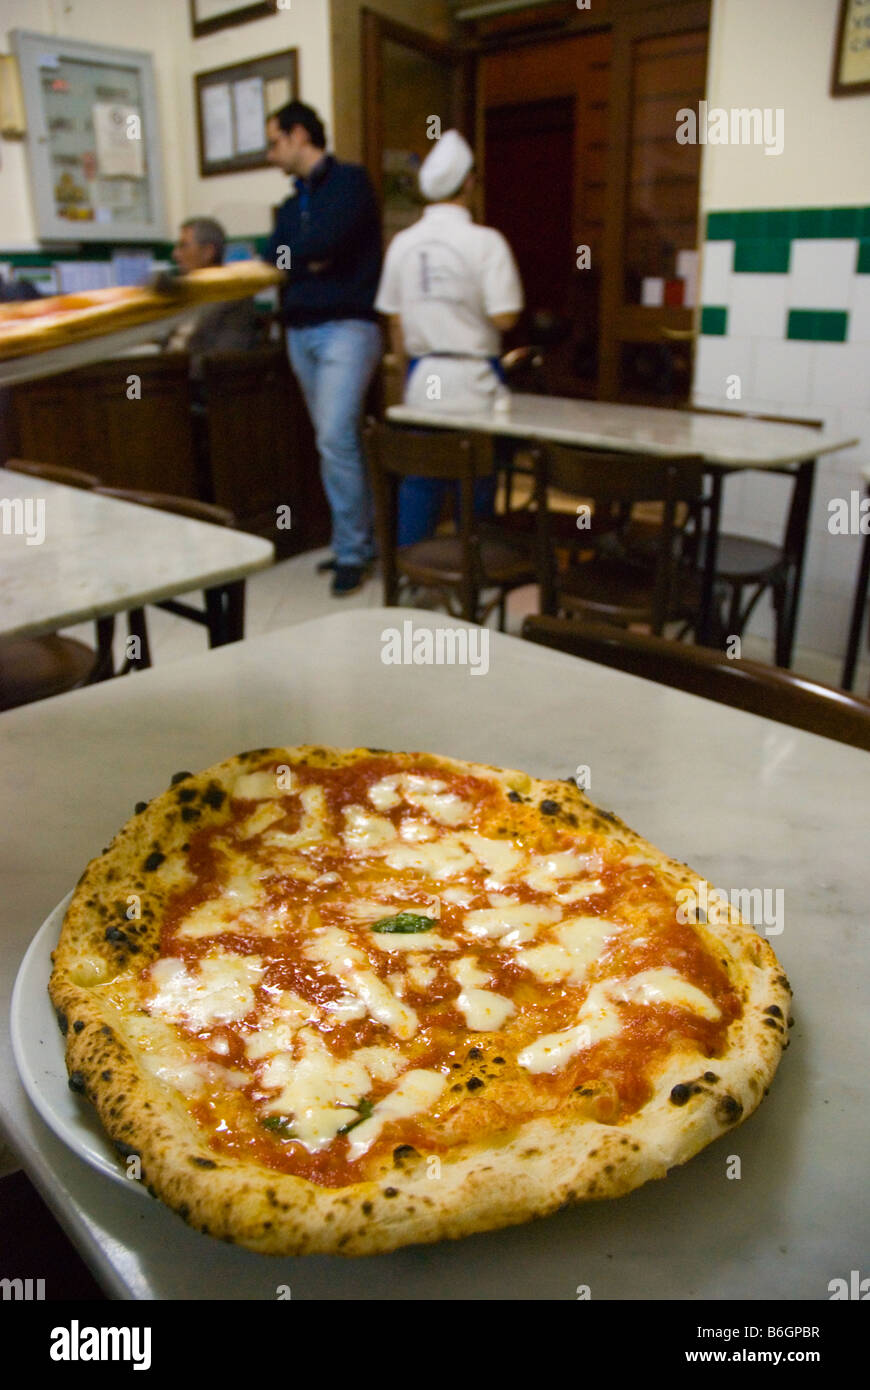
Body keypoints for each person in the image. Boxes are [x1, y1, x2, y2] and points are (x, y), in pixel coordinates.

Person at [374, 129, 524, 545]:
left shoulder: (403, 244)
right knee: (474, 478)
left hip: (425, 379)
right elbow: (506, 316)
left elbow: (396, 323)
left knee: (421, 480)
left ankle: (411, 573)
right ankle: (472, 572)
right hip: (475, 378)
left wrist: (407, 375)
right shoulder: (486, 242)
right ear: (470, 183)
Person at [265, 101, 383, 596]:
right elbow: (277, 252)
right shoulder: (291, 206)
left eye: (274, 143)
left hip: (347, 327)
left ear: (298, 135)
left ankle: (354, 551)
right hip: (300, 329)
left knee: (336, 439)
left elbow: (326, 243)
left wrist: (305, 255)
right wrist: (303, 257)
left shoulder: (351, 183)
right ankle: (354, 541)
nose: (271, 155)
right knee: (333, 442)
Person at [166, 217, 262, 372]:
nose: (175, 254)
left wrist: (176, 370)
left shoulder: (234, 295)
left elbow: (227, 356)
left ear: (208, 252)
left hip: (198, 384)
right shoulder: (183, 291)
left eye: (183, 246)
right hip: (167, 375)